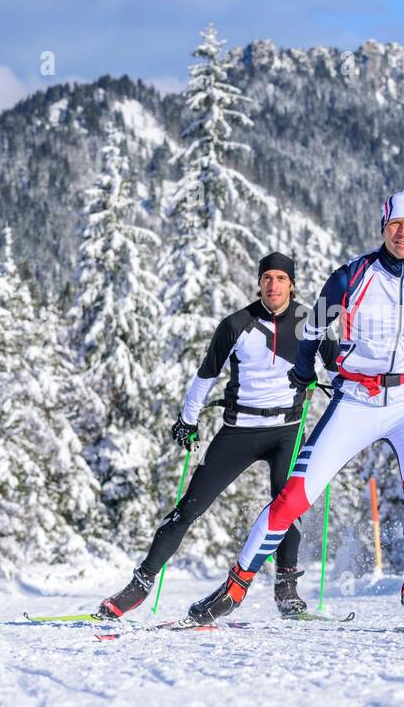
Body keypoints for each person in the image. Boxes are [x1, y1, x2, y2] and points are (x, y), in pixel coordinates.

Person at [187, 190, 404, 626]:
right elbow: (312, 328)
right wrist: (304, 373)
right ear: (383, 228)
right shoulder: (350, 276)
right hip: (356, 400)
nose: (403, 233)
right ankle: (235, 586)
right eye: (395, 225)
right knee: (293, 497)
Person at [95, 251, 338, 621]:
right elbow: (206, 375)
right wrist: (187, 420)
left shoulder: (311, 321)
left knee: (287, 508)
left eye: (281, 278)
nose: (273, 285)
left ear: (292, 283)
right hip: (238, 430)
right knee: (188, 509)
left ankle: (286, 588)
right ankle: (138, 587)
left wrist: (344, 399)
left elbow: (338, 364)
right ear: (259, 283)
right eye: (267, 278)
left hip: (287, 430)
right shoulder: (236, 323)